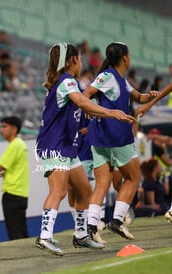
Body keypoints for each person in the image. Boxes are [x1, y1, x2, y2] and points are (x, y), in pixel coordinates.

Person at [35, 43, 135, 256]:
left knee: (84, 190)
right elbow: (82, 102)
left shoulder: (64, 82)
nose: (81, 62)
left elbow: (78, 107)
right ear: (72, 61)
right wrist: (112, 113)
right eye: (80, 58)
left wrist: (88, 118)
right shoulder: (67, 81)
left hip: (67, 145)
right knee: (59, 191)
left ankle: (81, 235)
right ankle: (44, 236)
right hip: (55, 145)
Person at [83, 42, 160, 241]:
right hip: (116, 135)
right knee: (133, 179)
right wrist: (94, 111)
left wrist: (149, 95)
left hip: (99, 136)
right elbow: (85, 96)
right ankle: (117, 220)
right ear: (125, 57)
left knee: (102, 182)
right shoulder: (108, 76)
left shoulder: (118, 78)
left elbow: (139, 98)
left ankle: (91, 226)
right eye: (130, 55)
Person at [0, 116, 30, 240]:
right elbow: (15, 168)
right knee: (21, 229)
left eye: (4, 126)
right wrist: (3, 173)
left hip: (12, 192)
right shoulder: (21, 144)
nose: (1, 130)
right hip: (21, 193)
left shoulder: (14, 145)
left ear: (14, 129)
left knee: (15, 232)